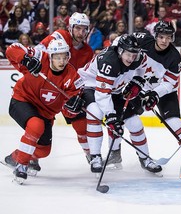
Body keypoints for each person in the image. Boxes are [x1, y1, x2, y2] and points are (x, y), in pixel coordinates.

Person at [4, 39, 85, 184]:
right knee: (36, 125)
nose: (61, 61)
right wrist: (26, 59)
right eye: (57, 57)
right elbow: (11, 49)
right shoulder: (40, 57)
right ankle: (21, 165)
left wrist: (74, 107)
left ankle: (16, 156)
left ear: (68, 57)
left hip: (46, 114)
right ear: (50, 56)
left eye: (64, 57)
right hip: (22, 100)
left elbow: (69, 111)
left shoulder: (73, 77)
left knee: (44, 151)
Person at [78, 34, 161, 174]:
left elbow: (145, 67)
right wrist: (111, 117)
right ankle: (95, 157)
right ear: (120, 50)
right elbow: (102, 94)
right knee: (96, 114)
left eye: (134, 55)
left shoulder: (137, 57)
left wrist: (138, 81)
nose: (131, 58)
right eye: (128, 54)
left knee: (135, 123)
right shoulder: (109, 61)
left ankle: (145, 158)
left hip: (113, 89)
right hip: (90, 86)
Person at [35, 12, 93, 163]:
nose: (81, 33)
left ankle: (91, 155)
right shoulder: (60, 37)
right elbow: (39, 50)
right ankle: (32, 158)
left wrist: (78, 95)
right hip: (48, 88)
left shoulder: (88, 52)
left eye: (84, 29)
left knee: (81, 124)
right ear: (70, 28)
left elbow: (83, 79)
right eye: (78, 28)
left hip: (68, 91)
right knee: (42, 126)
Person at [134, 21, 181, 152]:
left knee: (174, 122)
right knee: (127, 118)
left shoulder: (175, 57)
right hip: (139, 87)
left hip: (164, 91)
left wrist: (155, 94)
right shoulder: (143, 40)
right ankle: (117, 153)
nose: (164, 41)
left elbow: (170, 83)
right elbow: (121, 42)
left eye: (168, 37)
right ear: (155, 35)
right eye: (161, 37)